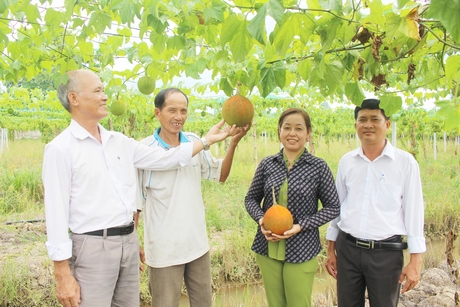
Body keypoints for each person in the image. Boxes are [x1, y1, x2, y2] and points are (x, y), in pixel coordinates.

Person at [42, 70, 238, 307]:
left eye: (103, 90)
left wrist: (206, 141)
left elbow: (166, 159)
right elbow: (55, 214)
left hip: (127, 243)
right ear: (74, 98)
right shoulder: (60, 149)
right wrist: (62, 273)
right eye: (98, 91)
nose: (105, 97)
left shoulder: (119, 142)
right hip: (93, 245)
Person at [136, 88, 250, 307]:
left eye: (183, 110)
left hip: (197, 247)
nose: (178, 117)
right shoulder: (145, 150)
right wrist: (134, 241)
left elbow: (221, 175)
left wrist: (233, 142)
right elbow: (136, 204)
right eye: (172, 110)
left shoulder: (194, 141)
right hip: (164, 251)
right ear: (157, 113)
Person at [325, 98, 426, 307]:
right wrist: (330, 249)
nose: (368, 125)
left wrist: (415, 261)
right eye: (362, 120)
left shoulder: (405, 163)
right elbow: (338, 207)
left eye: (374, 119)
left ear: (387, 124)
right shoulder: (347, 162)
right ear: (356, 126)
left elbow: (414, 212)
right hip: (348, 250)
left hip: (386, 254)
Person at [244, 108, 340, 307]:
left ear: (308, 133)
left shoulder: (318, 167)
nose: (292, 133)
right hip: (267, 247)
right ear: (279, 131)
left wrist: (300, 226)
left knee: (298, 303)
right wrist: (262, 220)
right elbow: (251, 199)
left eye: (299, 128)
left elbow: (333, 207)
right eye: (287, 128)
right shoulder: (267, 164)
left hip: (302, 248)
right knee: (275, 304)